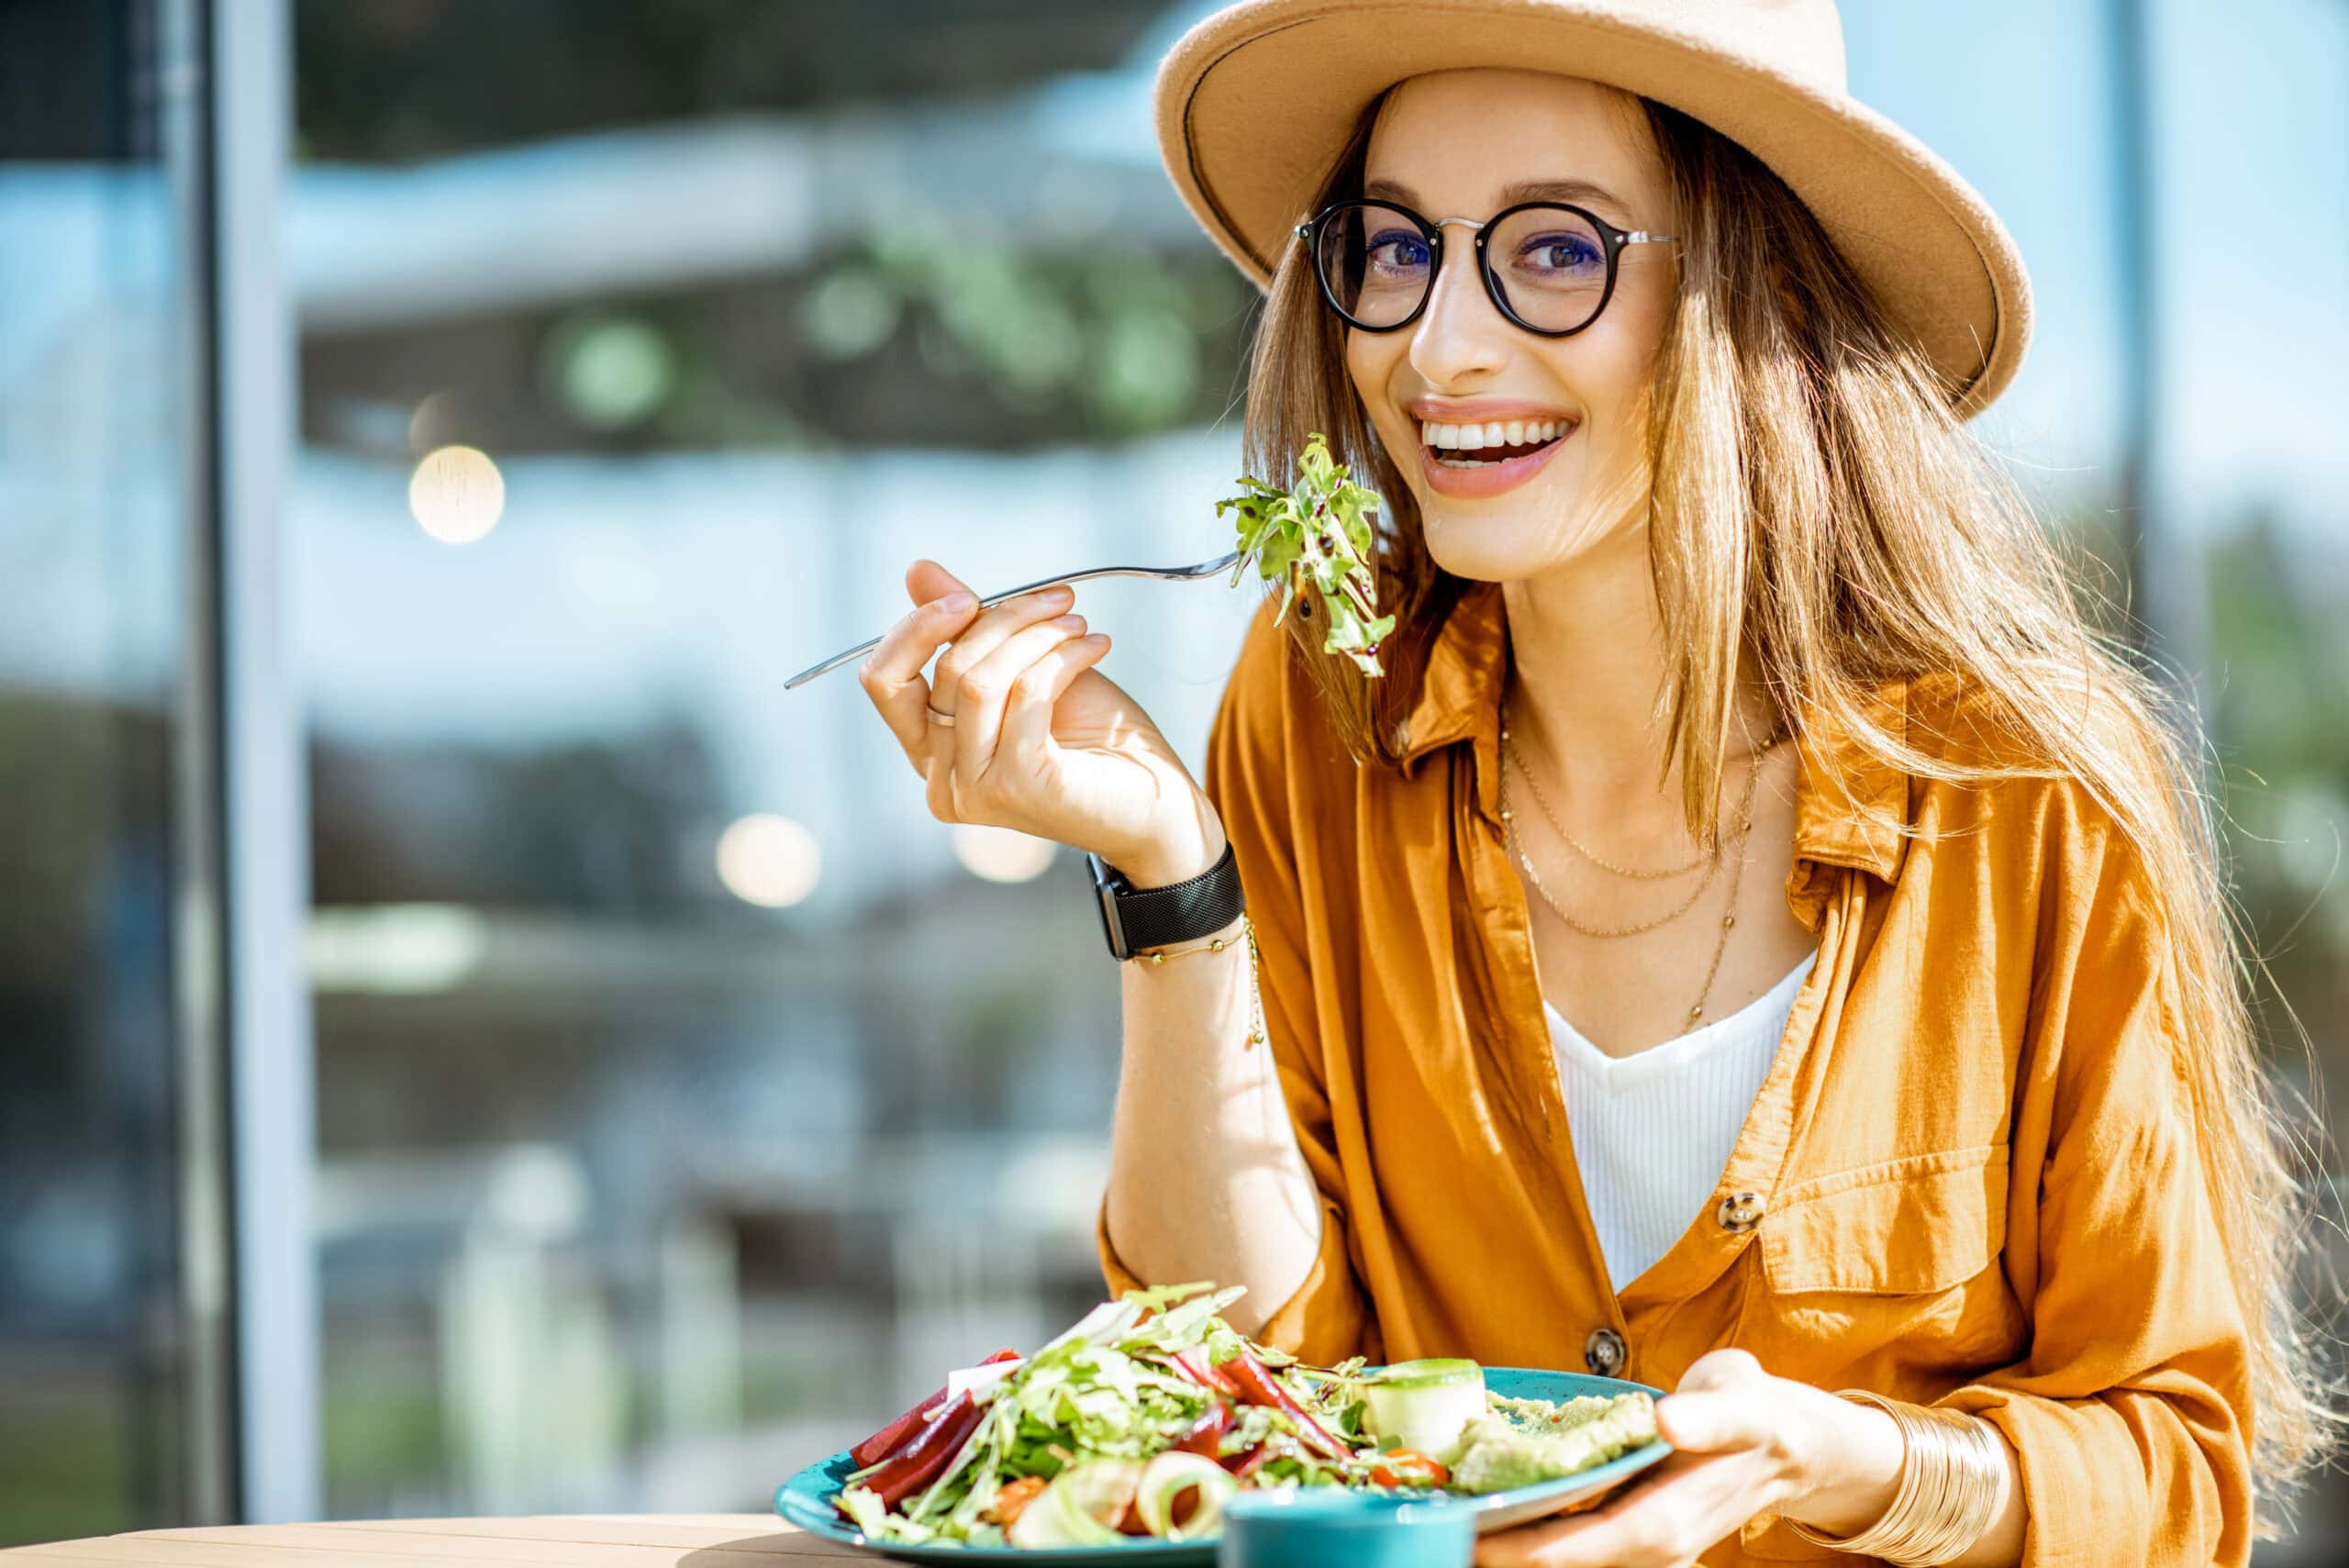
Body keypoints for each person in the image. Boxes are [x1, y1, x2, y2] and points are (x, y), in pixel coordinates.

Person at [851, 2, 2324, 1562]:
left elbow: (2174, 1475)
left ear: (1760, 293)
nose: (1435, 344)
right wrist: (1168, 874)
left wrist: (1859, 1464)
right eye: (1397, 246)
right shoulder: (1316, 717)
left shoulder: (2028, 787)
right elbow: (1239, 1389)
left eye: (1555, 250)